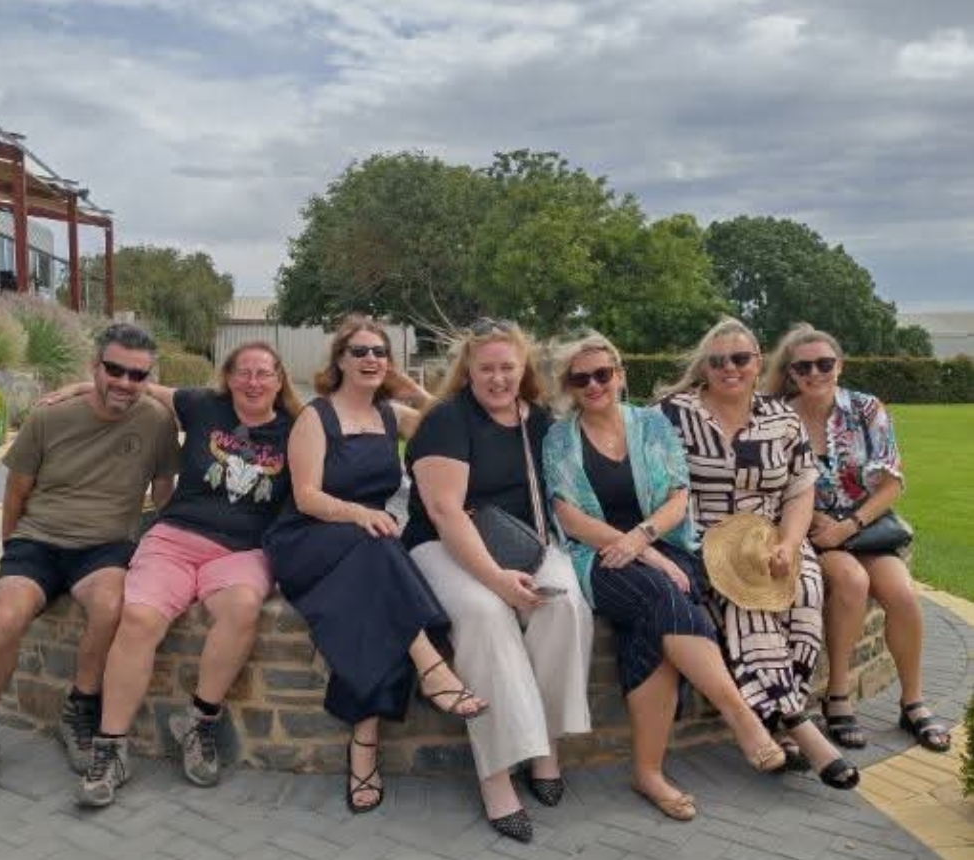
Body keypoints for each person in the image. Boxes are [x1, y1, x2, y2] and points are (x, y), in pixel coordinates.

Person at [543, 334, 786, 821]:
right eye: (580, 378)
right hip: (600, 559)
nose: (593, 385)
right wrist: (639, 550)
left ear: (620, 374)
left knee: (654, 624)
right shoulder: (560, 437)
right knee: (663, 591)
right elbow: (568, 515)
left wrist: (647, 539)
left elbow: (680, 495)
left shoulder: (651, 423)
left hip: (668, 547)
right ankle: (741, 716)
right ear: (568, 385)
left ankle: (648, 773)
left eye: (602, 374)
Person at [63, 341, 303, 807]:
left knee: (243, 609)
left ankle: (198, 721)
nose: (253, 382)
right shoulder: (202, 406)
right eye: (243, 373)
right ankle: (111, 746)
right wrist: (76, 387)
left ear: (279, 380)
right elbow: (140, 388)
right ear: (228, 377)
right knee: (138, 618)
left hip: (243, 550)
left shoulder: (297, 430)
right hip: (175, 538)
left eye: (264, 374)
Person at [264, 315, 487, 816]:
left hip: (367, 544)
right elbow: (306, 497)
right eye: (360, 351)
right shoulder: (315, 417)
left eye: (380, 353)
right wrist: (361, 514)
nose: (371, 360)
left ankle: (363, 746)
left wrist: (410, 387)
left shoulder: (390, 414)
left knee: (377, 593)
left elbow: (449, 422)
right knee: (381, 547)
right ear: (339, 360)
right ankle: (431, 667)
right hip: (310, 538)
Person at [0, 323, 179, 800]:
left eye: (137, 375)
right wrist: (11, 546)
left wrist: (168, 536)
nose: (124, 382)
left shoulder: (156, 421)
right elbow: (17, 489)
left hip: (105, 546)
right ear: (95, 367)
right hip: (39, 539)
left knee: (111, 607)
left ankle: (80, 708)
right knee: (5, 616)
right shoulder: (50, 417)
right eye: (114, 369)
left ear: (148, 378)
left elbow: (162, 492)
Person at [404, 319, 593, 844]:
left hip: (525, 541)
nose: (497, 378)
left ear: (523, 368)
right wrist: (497, 581)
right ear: (467, 370)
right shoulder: (446, 420)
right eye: (486, 368)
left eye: (507, 367)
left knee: (565, 606)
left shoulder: (540, 420)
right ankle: (496, 774)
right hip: (445, 544)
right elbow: (444, 512)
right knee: (485, 614)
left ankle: (545, 747)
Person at [657, 317, 860, 790]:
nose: (730, 367)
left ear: (758, 362)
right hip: (705, 539)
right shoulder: (672, 414)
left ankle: (773, 718)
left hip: (773, 534)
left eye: (741, 358)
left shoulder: (781, 417)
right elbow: (653, 483)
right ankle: (800, 724)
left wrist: (790, 544)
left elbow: (799, 491)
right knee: (747, 607)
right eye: (718, 360)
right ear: (704, 366)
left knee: (806, 589)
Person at [763, 323, 950, 753]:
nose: (814, 373)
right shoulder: (776, 414)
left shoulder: (866, 410)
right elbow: (771, 482)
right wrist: (816, 524)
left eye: (824, 364)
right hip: (810, 527)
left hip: (861, 526)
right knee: (851, 582)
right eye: (803, 367)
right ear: (790, 372)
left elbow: (891, 484)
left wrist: (849, 526)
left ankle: (912, 701)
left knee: (902, 593)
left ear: (839, 365)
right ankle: (839, 695)